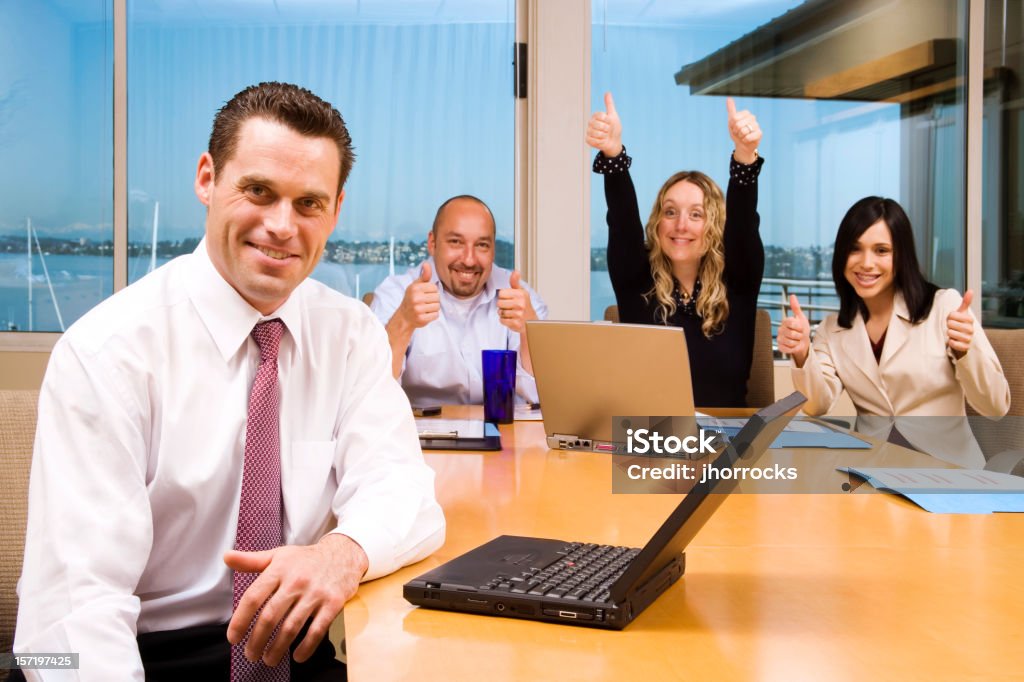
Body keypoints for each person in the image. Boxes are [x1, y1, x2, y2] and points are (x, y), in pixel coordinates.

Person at [14, 82, 445, 680]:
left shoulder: (350, 336)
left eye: (308, 203)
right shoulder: (107, 353)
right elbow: (70, 609)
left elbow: (405, 491)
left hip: (305, 644)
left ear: (336, 210)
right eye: (259, 191)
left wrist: (341, 554)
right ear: (207, 179)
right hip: (145, 654)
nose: (281, 225)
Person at [778, 196, 1010, 468]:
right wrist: (803, 354)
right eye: (855, 249)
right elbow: (817, 405)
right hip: (873, 474)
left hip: (948, 471)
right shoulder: (833, 329)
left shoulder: (944, 307)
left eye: (881, 250)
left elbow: (995, 407)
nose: (866, 263)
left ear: (901, 256)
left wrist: (964, 352)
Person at [586, 93, 765, 407]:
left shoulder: (739, 279)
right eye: (670, 212)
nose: (681, 225)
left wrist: (745, 157)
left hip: (728, 447)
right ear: (657, 223)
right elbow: (622, 221)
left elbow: (744, 226)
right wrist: (613, 154)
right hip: (648, 442)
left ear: (714, 225)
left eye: (696, 214)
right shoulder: (635, 280)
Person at [370, 195, 548, 407]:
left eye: (482, 245)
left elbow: (542, 397)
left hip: (503, 434)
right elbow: (371, 391)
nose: (469, 259)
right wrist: (404, 321)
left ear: (493, 250)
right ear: (432, 243)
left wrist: (529, 331)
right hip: (417, 436)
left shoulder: (520, 297)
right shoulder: (396, 293)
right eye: (456, 242)